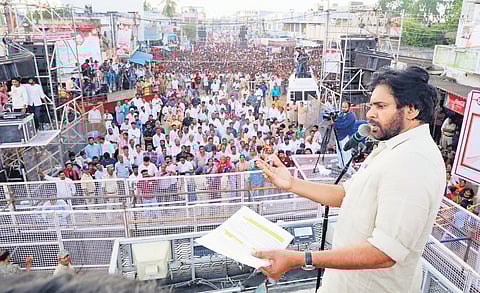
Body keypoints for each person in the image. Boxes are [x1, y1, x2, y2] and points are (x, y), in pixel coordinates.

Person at [254, 66, 445, 293]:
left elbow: (385, 252)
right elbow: (347, 194)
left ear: (412, 110)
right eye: (372, 105)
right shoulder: (392, 148)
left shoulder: (413, 162)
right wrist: (292, 184)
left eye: (381, 106)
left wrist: (300, 258)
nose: (371, 114)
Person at [333, 102, 356, 171]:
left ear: (349, 107)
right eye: (342, 107)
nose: (343, 108)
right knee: (339, 151)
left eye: (345, 107)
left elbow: (344, 125)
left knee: (346, 153)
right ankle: (341, 165)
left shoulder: (351, 116)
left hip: (346, 135)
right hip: (339, 135)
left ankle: (348, 169)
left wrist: (334, 124)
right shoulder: (341, 114)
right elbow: (338, 121)